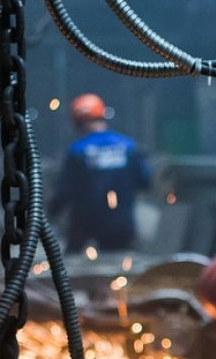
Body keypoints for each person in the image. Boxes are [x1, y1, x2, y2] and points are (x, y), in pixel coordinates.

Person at [50, 93, 152, 252]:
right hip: (121, 225)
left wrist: (52, 212)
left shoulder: (77, 151)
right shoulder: (128, 146)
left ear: (77, 123)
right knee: (121, 270)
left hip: (84, 227)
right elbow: (145, 181)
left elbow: (65, 190)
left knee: (74, 270)